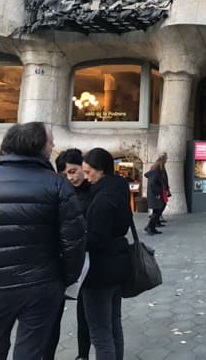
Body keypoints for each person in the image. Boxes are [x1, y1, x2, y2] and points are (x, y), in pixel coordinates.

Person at [0, 122, 86, 360]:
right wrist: (66, 279)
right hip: (41, 284)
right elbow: (74, 243)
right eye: (50, 142)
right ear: (38, 146)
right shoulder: (57, 185)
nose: (54, 146)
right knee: (32, 351)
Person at [82, 147, 132, 360]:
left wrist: (77, 239)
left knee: (101, 334)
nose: (86, 177)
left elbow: (97, 239)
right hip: (117, 267)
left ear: (101, 170)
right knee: (114, 326)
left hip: (99, 272)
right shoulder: (120, 190)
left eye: (88, 172)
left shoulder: (102, 199)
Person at [43, 148, 92, 360]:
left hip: (88, 261)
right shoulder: (59, 192)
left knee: (86, 314)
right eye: (65, 174)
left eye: (73, 171)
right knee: (52, 316)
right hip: (61, 262)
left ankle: (82, 355)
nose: (71, 177)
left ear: (84, 166)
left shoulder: (94, 191)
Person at [144, 156, 166, 235]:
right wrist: (157, 194)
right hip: (155, 195)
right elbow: (153, 184)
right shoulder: (155, 173)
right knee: (157, 211)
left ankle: (151, 227)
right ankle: (150, 227)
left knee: (156, 211)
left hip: (154, 195)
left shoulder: (154, 172)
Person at [158, 151, 171, 225]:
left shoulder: (162, 166)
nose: (167, 159)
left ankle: (158, 217)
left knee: (163, 202)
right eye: (166, 158)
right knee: (162, 203)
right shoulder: (159, 166)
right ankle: (157, 217)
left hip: (163, 187)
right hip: (161, 188)